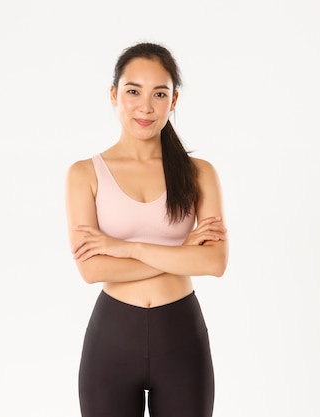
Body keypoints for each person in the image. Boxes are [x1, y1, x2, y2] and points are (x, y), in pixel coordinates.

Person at [65, 41, 229, 417]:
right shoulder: (84, 174)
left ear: (174, 101)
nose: (145, 106)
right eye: (133, 91)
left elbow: (215, 262)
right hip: (112, 339)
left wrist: (128, 248)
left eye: (159, 93)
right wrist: (183, 251)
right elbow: (92, 269)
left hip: (182, 336)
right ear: (114, 95)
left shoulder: (199, 173)